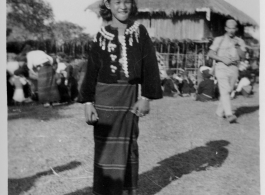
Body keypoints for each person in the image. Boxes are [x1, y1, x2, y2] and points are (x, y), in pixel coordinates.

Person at [78, 0, 162, 194]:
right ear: (108, 4)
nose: (123, 6)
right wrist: (88, 102)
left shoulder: (140, 32)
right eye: (117, 2)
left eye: (127, 2)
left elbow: (150, 66)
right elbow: (91, 70)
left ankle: (126, 191)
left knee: (129, 145)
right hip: (104, 99)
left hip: (129, 96)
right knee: (105, 147)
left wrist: (146, 97)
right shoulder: (101, 35)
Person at [207, 19, 246, 123]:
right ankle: (229, 114)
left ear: (236, 29)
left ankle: (219, 112)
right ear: (225, 28)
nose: (231, 30)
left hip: (234, 68)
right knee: (225, 90)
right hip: (221, 67)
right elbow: (210, 54)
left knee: (228, 91)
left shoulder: (240, 41)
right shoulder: (218, 40)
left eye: (233, 28)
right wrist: (222, 59)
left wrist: (238, 46)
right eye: (229, 28)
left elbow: (243, 56)